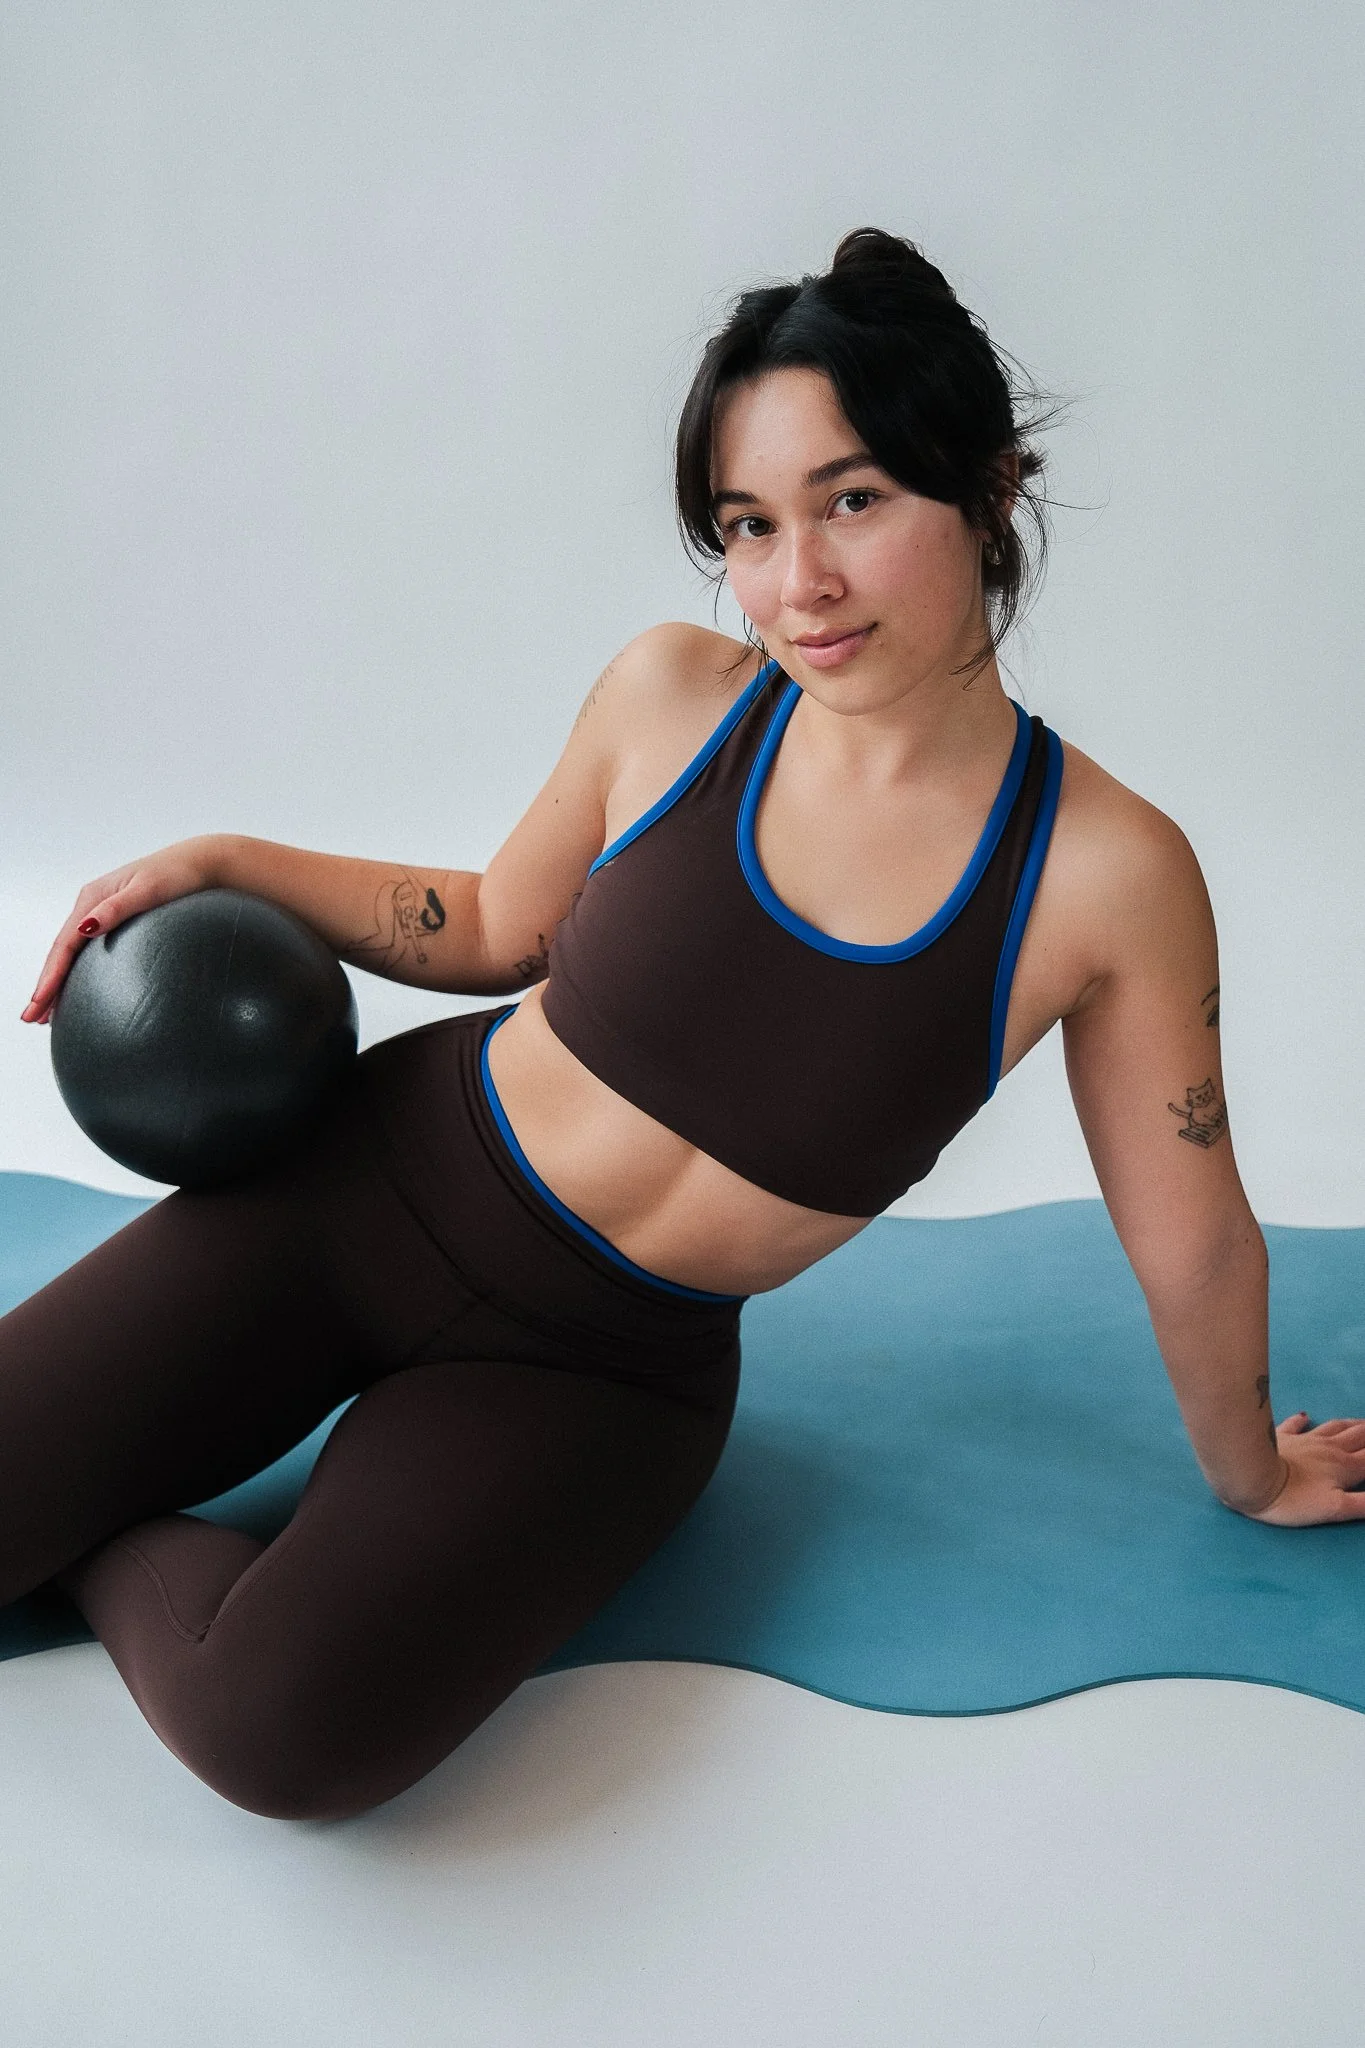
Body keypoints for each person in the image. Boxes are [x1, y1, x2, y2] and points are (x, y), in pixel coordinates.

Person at [8, 227, 1365, 1824]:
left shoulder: (1103, 875)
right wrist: (232, 861)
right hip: (372, 1187)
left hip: (600, 1373)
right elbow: (495, 926)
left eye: (855, 501)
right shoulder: (674, 697)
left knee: (277, 1735)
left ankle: (112, 1524)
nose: (801, 583)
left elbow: (1193, 1235)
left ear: (992, 487)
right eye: (750, 523)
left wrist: (1247, 1468)